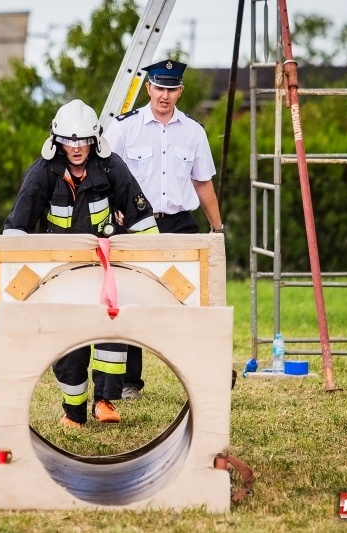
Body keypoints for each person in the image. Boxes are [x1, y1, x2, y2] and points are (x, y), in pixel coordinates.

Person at [4, 99, 159, 427]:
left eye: (84, 141)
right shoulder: (43, 172)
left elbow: (141, 216)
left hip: (104, 270)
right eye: (69, 141)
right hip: (62, 274)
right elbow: (17, 226)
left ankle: (104, 401)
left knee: (111, 332)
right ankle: (73, 412)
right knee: (66, 342)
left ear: (95, 140)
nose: (76, 148)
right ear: (57, 141)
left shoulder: (111, 167)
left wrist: (155, 266)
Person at [103, 58, 224, 400]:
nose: (164, 95)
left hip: (178, 224)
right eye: (159, 88)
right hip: (135, 224)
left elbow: (202, 183)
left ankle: (201, 374)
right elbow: (102, 173)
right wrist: (113, 207)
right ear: (148, 88)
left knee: (193, 299)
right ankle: (129, 382)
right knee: (129, 301)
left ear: (180, 91)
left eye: (171, 89)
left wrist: (217, 230)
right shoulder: (125, 127)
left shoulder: (194, 131)